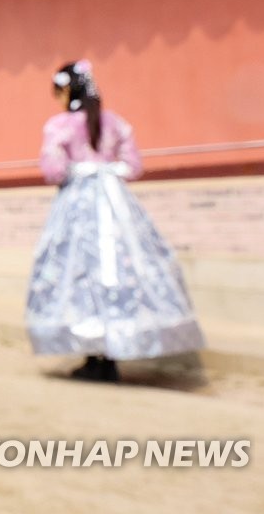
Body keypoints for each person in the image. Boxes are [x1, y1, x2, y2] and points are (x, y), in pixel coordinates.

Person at [26, 60, 205, 381]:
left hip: (77, 207)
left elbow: (52, 170)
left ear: (68, 90)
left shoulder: (59, 126)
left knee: (78, 271)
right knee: (123, 269)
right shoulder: (116, 124)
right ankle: (112, 352)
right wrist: (105, 170)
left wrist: (79, 170)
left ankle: (93, 354)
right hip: (116, 207)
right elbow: (133, 166)